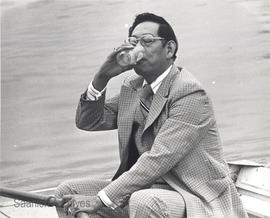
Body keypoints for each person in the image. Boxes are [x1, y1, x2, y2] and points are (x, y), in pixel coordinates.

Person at [55, 12, 248, 218]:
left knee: (144, 202)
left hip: (194, 197)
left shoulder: (189, 93)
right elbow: (89, 121)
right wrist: (102, 77)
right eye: (133, 42)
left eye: (147, 41)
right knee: (68, 192)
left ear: (169, 49)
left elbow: (158, 158)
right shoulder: (133, 87)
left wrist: (100, 199)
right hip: (145, 189)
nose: (138, 48)